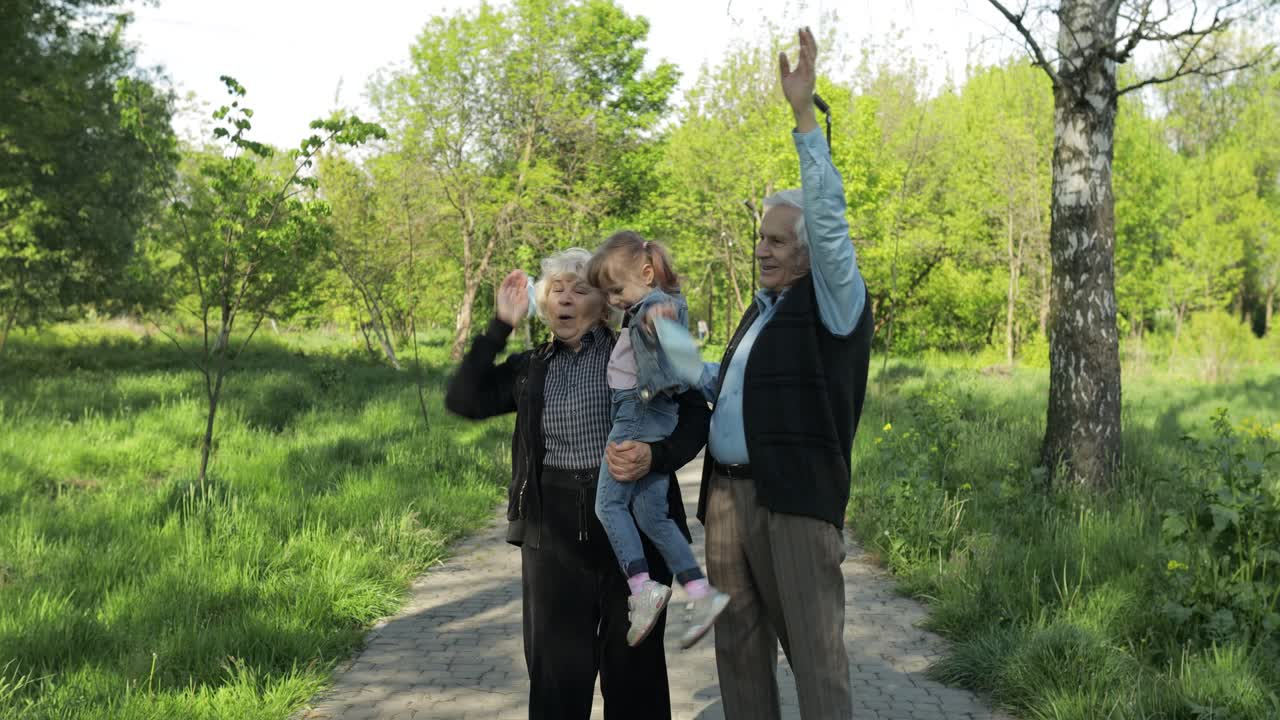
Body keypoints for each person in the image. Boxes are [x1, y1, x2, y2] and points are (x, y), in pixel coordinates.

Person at [444, 248, 711, 720]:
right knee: (557, 679)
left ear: (605, 304)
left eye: (579, 288)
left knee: (635, 678)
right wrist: (500, 325)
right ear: (543, 303)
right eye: (555, 290)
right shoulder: (530, 367)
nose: (564, 298)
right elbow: (464, 398)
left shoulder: (639, 351)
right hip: (554, 539)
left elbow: (695, 415)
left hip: (632, 534)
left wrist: (656, 455)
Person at [696, 27, 873, 720]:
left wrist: (804, 117)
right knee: (738, 650)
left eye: (775, 242)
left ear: (806, 254)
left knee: (814, 654)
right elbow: (727, 390)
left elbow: (828, 225)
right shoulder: (759, 311)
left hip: (793, 502)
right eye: (760, 239)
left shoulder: (833, 303)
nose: (762, 251)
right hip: (726, 501)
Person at [585, 232, 729, 650]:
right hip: (654, 415)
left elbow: (660, 315)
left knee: (607, 504)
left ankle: (641, 586)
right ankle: (699, 591)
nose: (613, 301)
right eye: (607, 294)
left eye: (617, 290)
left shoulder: (652, 306)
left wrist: (657, 317)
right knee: (653, 518)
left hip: (638, 412)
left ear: (646, 273)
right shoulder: (649, 304)